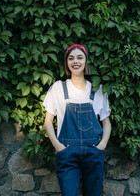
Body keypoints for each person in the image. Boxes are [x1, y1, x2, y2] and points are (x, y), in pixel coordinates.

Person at [43, 44, 112, 196]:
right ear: (67, 62)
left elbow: (106, 122)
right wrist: (57, 146)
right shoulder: (58, 88)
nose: (76, 61)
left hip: (93, 151)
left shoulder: (97, 90)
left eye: (80, 57)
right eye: (71, 58)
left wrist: (102, 145)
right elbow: (48, 122)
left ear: (86, 61)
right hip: (67, 152)